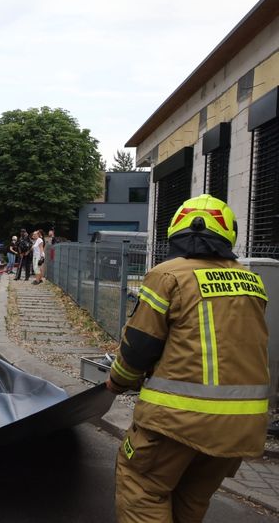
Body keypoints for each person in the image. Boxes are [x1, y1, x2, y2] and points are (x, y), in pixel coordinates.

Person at [106, 194, 269, 522]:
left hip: (176, 420)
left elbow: (139, 346)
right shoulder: (251, 281)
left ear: (177, 231)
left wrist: (117, 381)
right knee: (190, 500)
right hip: (240, 427)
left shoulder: (169, 275)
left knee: (142, 486)